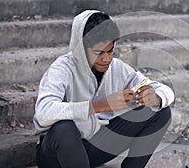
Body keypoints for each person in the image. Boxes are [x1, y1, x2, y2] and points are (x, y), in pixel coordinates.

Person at [33, 10, 175, 168]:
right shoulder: (62, 69)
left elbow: (163, 89)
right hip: (57, 154)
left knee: (160, 112)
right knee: (64, 128)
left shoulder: (117, 68)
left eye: (110, 51)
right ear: (81, 47)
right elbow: (43, 113)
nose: (106, 59)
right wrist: (100, 105)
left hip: (94, 149)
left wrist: (154, 96)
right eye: (98, 53)